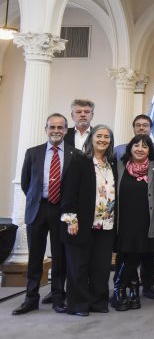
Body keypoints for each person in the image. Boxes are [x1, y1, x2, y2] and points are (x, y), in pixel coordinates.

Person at [12, 114, 76, 316]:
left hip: (61, 210)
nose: (56, 130)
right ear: (46, 129)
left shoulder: (75, 154)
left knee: (59, 256)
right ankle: (31, 299)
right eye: (52, 127)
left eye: (60, 127)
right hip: (38, 209)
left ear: (66, 130)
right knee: (35, 257)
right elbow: (26, 183)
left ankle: (58, 298)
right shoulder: (33, 152)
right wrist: (37, 199)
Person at [60, 125, 118, 316]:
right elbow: (68, 192)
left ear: (111, 141)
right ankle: (78, 305)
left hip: (106, 224)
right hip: (81, 223)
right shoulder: (80, 161)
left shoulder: (112, 163)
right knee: (78, 266)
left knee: (101, 267)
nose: (102, 139)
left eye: (107, 137)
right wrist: (71, 219)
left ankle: (98, 302)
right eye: (99, 136)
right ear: (91, 138)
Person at [113, 113, 154, 301]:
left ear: (150, 150)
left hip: (147, 217)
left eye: (144, 146)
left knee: (147, 254)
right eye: (136, 145)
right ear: (130, 148)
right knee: (125, 253)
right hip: (125, 218)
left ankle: (147, 287)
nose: (140, 149)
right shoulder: (120, 165)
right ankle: (125, 287)